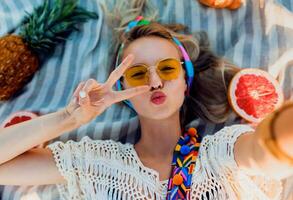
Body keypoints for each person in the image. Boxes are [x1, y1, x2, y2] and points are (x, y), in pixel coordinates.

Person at [0, 16, 292, 200]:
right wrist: (66, 119)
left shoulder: (223, 153)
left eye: (166, 69)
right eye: (138, 74)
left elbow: (268, 151)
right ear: (124, 93)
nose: (154, 82)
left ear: (185, 81)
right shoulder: (99, 164)